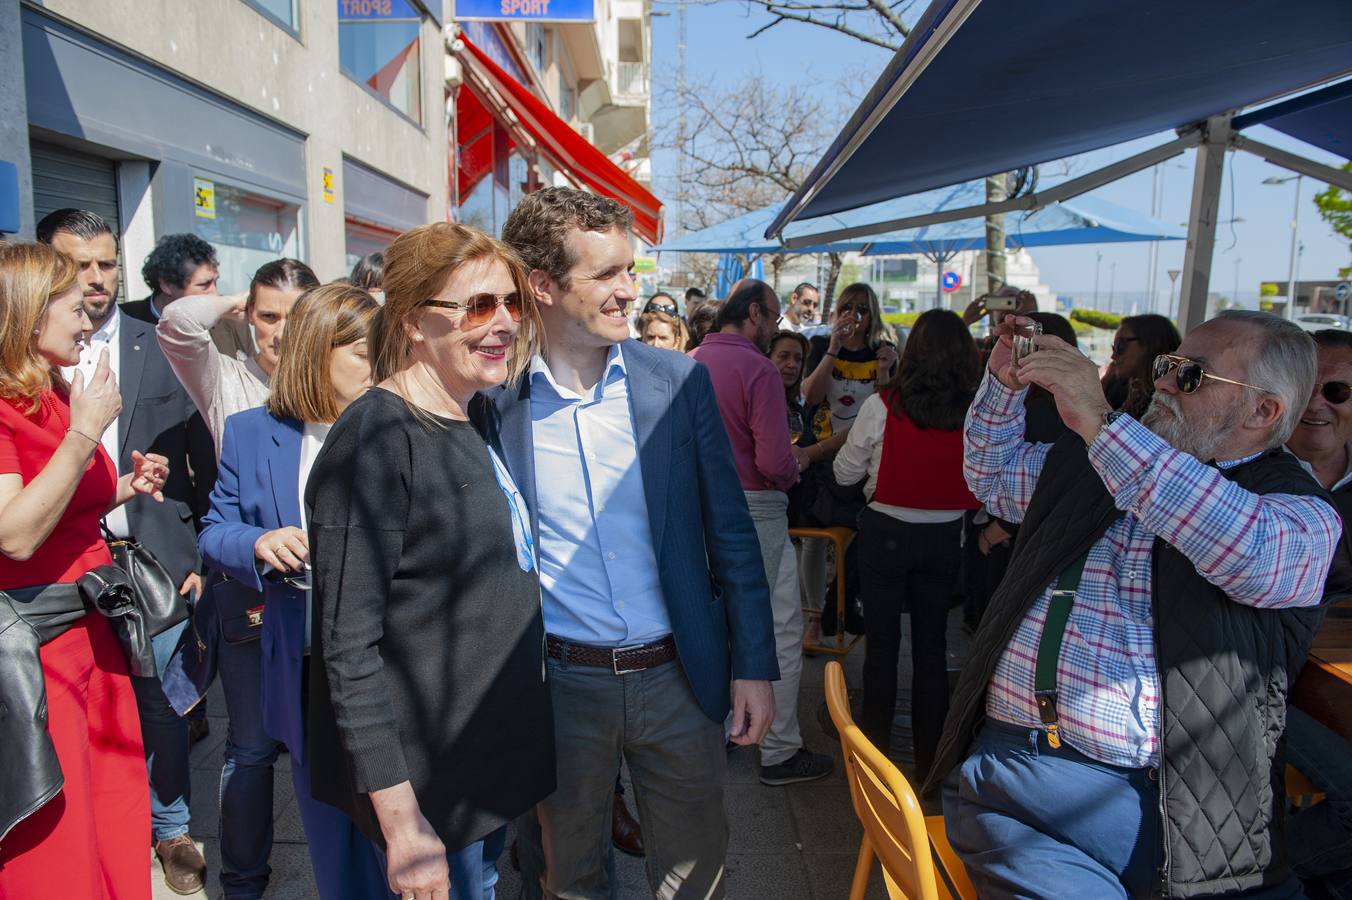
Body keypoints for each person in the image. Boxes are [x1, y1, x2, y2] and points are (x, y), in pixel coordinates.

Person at [928, 309, 1346, 899]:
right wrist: (1001, 385)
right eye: (1168, 366)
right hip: (1023, 773)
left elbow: (1246, 549)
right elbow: (994, 478)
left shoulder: (1299, 513)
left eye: (1192, 376)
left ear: (1262, 411)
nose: (1165, 383)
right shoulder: (1104, 457)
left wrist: (1100, 421)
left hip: (1188, 811)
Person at [497, 186, 777, 899]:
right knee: (570, 879)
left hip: (679, 675)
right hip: (559, 685)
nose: (632, 290)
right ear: (543, 285)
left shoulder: (678, 383)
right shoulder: (493, 405)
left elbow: (732, 536)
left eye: (631, 269)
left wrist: (754, 667)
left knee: (694, 874)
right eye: (608, 274)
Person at [307, 222, 555, 900]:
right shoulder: (376, 440)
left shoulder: (470, 411)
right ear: (415, 322)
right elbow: (346, 647)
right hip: (426, 796)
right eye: (478, 306)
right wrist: (404, 824)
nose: (502, 322)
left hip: (480, 776)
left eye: (512, 303)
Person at [38, 208, 215, 894]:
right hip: (64, 565)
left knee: (163, 700)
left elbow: (204, 454)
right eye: (78, 266)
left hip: (158, 555)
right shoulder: (29, 357)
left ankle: (171, 829)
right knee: (87, 708)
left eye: (106, 263)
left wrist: (197, 552)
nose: (95, 280)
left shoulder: (161, 340)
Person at [197, 284, 389, 900]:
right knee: (330, 826)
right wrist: (257, 542)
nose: (381, 366)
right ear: (315, 351)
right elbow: (215, 527)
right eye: (364, 352)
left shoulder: (400, 423)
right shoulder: (254, 432)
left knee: (401, 829)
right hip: (303, 659)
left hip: (391, 660)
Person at [0, 241, 169, 899]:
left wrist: (124, 484)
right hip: (38, 654)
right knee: (58, 836)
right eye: (75, 308)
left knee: (115, 814)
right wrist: (84, 434)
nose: (89, 321)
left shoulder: (51, 388)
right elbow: (14, 535)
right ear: (29, 313)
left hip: (93, 636)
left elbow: (64, 505)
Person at [690, 281, 832, 787]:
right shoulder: (758, 369)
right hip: (756, 507)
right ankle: (780, 748)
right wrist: (793, 470)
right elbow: (774, 460)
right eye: (773, 319)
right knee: (780, 629)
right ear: (755, 314)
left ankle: (729, 727)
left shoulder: (688, 362)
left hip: (699, 507)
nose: (774, 328)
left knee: (718, 621)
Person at [833, 309, 980, 780]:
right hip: (944, 537)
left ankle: (874, 771)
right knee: (932, 651)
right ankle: (930, 769)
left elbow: (844, 473)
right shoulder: (975, 413)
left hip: (887, 533)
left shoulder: (883, 405)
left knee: (882, 649)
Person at [1282, 328, 1352, 899]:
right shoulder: (1242, 476)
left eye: (1337, 390)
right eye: (1306, 386)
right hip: (1261, 686)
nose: (1317, 404)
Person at [799, 283, 899, 636]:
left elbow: (885, 412)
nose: (854, 315)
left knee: (863, 532)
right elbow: (809, 397)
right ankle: (815, 616)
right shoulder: (820, 347)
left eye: (862, 308)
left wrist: (885, 370)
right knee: (813, 538)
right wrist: (833, 350)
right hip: (821, 457)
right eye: (847, 307)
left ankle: (841, 602)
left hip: (865, 461)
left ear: (873, 314)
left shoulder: (884, 354)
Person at [157, 257, 318, 454]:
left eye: (297, 318)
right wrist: (233, 302)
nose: (282, 334)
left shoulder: (331, 380)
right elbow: (176, 318)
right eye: (269, 316)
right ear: (250, 313)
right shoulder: (223, 379)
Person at [133, 233, 252, 360]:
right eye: (204, 285)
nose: (215, 294)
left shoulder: (233, 321)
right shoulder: (127, 322)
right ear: (167, 285)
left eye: (215, 282)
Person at [1102, 313, 1182, 418]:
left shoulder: (1167, 401)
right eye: (1114, 347)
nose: (1113, 356)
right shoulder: (1118, 382)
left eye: (1120, 346)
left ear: (1152, 345)